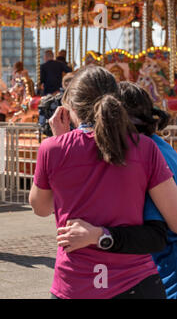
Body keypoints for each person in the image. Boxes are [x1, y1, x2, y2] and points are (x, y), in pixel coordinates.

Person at [29, 66, 177, 299]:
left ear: (72, 108)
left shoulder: (52, 149)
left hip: (75, 284)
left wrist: (59, 141)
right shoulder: (145, 147)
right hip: (135, 282)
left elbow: (41, 207)